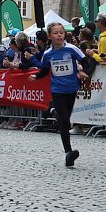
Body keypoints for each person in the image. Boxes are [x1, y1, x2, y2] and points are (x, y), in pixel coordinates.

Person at [29, 22, 87, 167]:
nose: (59, 35)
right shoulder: (48, 54)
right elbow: (44, 70)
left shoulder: (72, 49)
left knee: (63, 121)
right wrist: (36, 76)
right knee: (66, 121)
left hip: (72, 88)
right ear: (49, 36)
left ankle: (53, 111)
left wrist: (81, 71)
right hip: (57, 90)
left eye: (61, 32)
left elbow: (87, 62)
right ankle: (68, 151)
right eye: (55, 33)